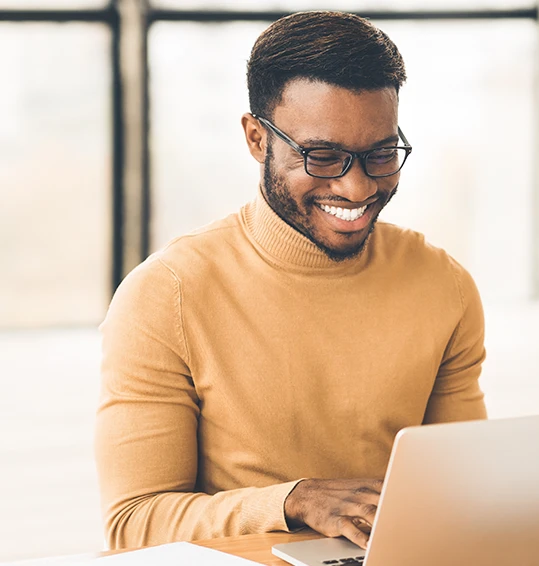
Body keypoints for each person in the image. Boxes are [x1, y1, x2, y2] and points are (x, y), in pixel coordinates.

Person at [94, 10, 487, 551]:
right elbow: (134, 522)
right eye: (322, 157)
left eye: (380, 155)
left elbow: (467, 485)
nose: (355, 188)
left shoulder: (444, 286)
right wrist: (292, 500)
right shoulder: (166, 295)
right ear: (257, 139)